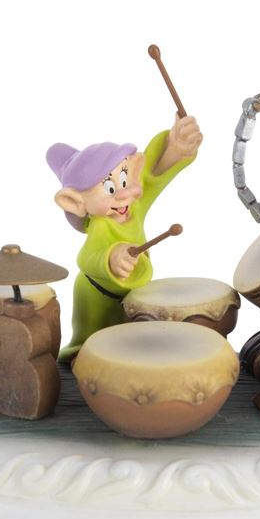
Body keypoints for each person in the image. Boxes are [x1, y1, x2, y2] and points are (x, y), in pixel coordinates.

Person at [47, 115, 202, 360]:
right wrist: (111, 258)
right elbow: (86, 258)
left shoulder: (133, 206)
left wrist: (175, 149)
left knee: (132, 344)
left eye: (124, 179)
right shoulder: (100, 225)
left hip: (133, 295)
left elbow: (151, 177)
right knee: (94, 344)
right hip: (96, 295)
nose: (125, 194)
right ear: (76, 202)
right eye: (110, 188)